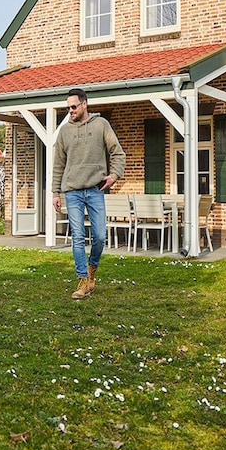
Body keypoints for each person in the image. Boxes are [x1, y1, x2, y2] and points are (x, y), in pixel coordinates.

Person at [52, 88, 126, 299]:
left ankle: (92, 271)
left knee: (100, 236)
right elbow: (58, 164)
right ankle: (82, 280)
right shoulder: (65, 131)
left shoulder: (101, 125)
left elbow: (118, 152)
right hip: (72, 192)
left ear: (85, 104)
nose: (70, 111)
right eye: (68, 108)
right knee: (77, 237)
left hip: (95, 190)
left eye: (73, 106)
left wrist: (114, 175)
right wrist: (55, 192)